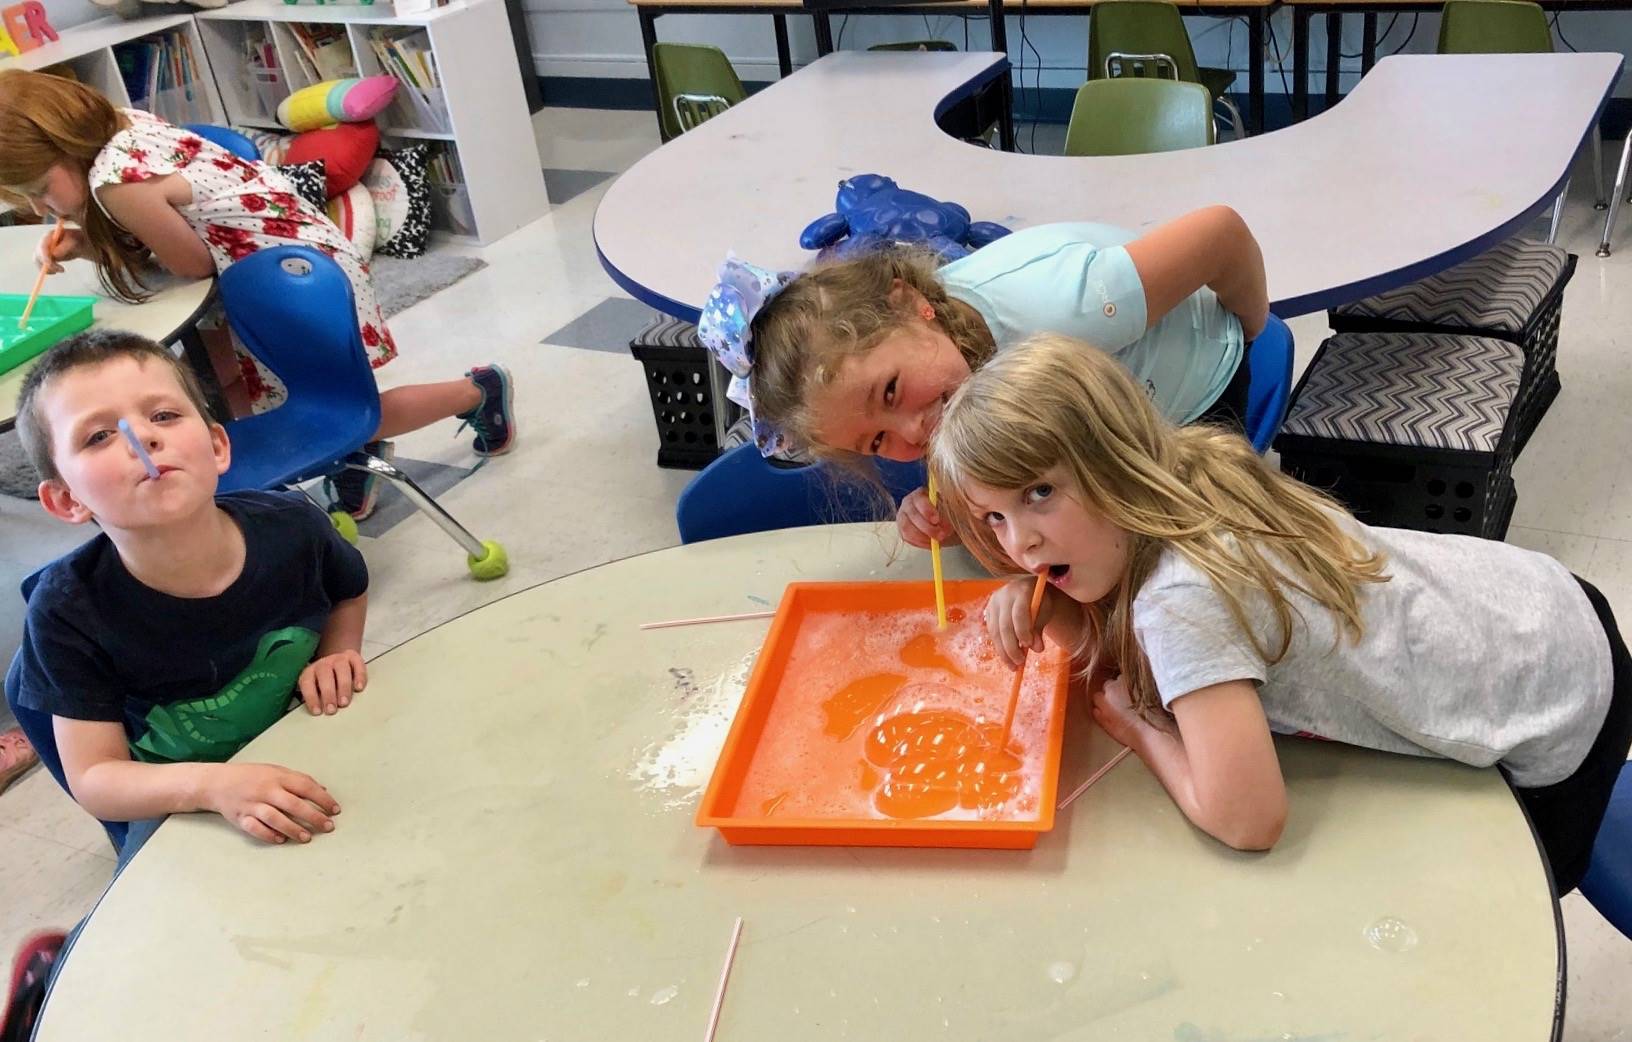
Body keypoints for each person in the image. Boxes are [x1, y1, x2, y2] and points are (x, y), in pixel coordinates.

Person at [930, 332, 1631, 892]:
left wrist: (1134, 723)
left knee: (1509, 909)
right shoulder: (1189, 465)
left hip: (1558, 705)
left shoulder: (1181, 598)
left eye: (1040, 494)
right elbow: (1145, 635)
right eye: (993, 516)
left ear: (1113, 461)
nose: (1018, 544)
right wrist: (1048, 604)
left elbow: (1248, 818)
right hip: (1532, 601)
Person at [0, 69, 517, 520]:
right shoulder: (115, 121)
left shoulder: (117, 185)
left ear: (64, 146)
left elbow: (190, 264)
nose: (44, 207)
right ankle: (322, 470)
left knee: (335, 405)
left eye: (41, 189)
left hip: (292, 279)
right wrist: (89, 235)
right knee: (233, 392)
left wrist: (91, 247)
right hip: (281, 255)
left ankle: (479, 390)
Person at [698, 207, 1269, 547]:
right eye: (876, 441)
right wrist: (944, 501)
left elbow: (1222, 233)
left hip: (1194, 394)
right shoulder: (937, 367)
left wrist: (1249, 329)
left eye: (891, 391)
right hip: (1092, 407)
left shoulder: (1067, 310)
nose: (916, 431)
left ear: (913, 304)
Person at [5, 331, 369, 847]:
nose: (143, 439)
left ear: (217, 445)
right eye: (99, 436)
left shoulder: (295, 526)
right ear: (66, 500)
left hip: (305, 735)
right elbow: (95, 778)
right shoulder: (67, 612)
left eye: (164, 416)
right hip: (179, 802)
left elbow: (349, 591)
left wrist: (338, 652)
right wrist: (214, 785)